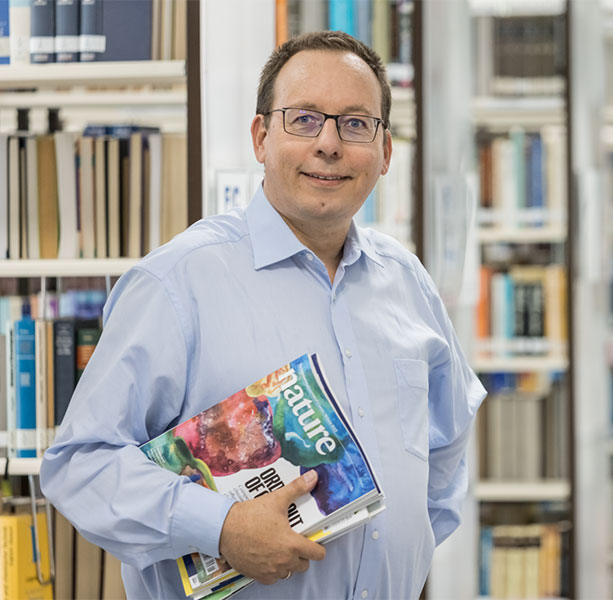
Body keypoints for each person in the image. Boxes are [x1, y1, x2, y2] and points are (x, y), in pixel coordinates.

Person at [41, 30, 485, 599]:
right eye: (303, 119)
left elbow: (443, 456)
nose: (329, 143)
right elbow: (80, 466)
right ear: (260, 136)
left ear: (386, 153)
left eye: (355, 124)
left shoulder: (408, 283)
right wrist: (219, 527)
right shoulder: (178, 283)